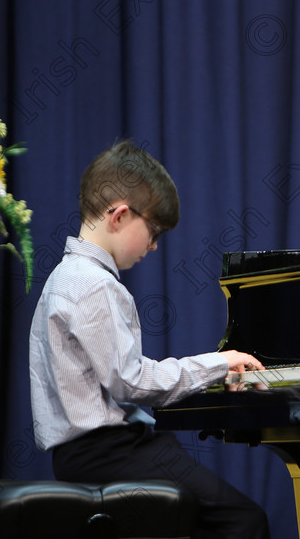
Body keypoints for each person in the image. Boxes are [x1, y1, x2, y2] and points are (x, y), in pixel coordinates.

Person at [29, 140, 271, 538]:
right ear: (121, 215)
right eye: (154, 230)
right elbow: (132, 382)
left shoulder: (65, 277)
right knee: (243, 520)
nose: (155, 245)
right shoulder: (93, 285)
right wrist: (219, 363)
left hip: (86, 454)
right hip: (109, 453)